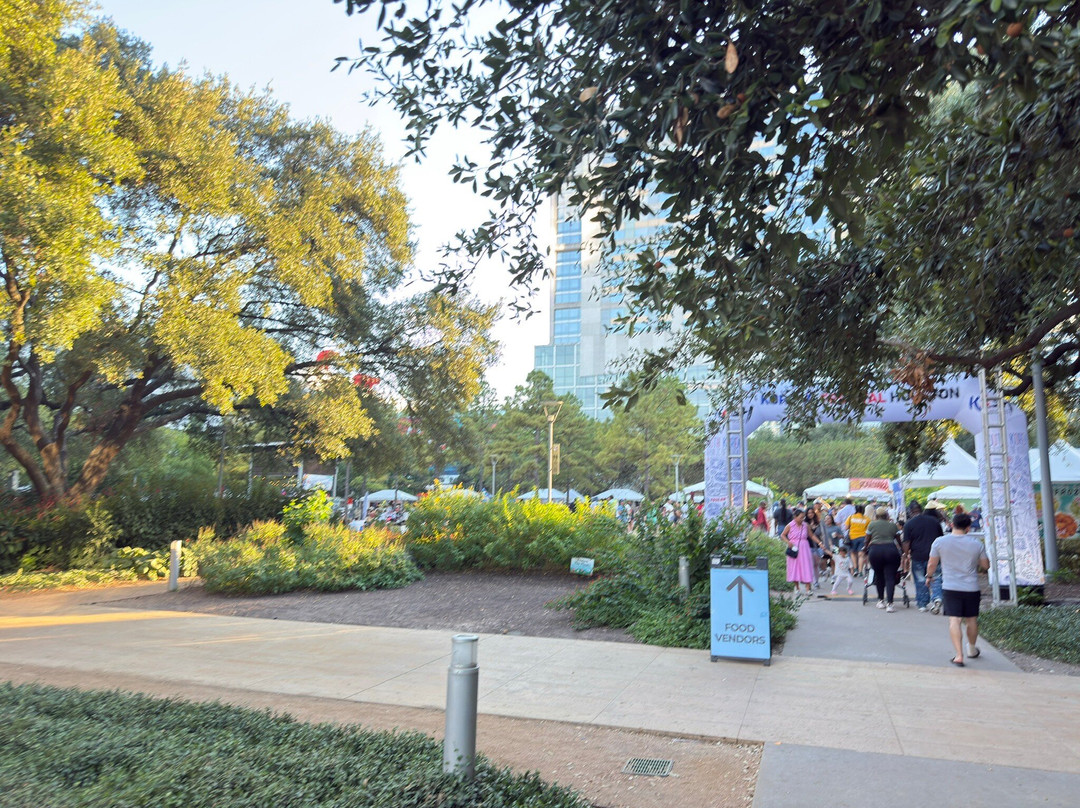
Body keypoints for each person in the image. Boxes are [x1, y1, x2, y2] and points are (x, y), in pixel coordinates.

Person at [926, 512, 990, 667]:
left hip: (950, 587)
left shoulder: (939, 542)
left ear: (952, 524)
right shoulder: (976, 544)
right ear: (968, 528)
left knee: (954, 620)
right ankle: (972, 649)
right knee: (971, 620)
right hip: (971, 588)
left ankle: (959, 655)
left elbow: (932, 564)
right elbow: (986, 566)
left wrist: (929, 576)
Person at [903, 501, 945, 613]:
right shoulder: (934, 521)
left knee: (920, 580)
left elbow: (906, 542)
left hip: (917, 556)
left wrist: (906, 555)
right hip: (935, 555)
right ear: (921, 510)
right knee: (936, 577)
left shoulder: (909, 524)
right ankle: (937, 598)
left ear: (910, 512)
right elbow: (941, 538)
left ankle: (922, 604)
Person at [865, 506, 902, 612]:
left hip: (875, 551)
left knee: (879, 576)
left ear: (876, 515)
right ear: (887, 515)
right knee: (890, 577)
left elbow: (867, 539)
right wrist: (903, 551)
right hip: (890, 550)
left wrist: (865, 549)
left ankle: (881, 601)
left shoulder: (871, 524)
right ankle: (890, 604)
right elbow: (898, 540)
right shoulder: (893, 525)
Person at [781, 508, 815, 594]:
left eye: (803, 517)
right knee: (794, 567)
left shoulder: (805, 525)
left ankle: (808, 589)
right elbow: (783, 535)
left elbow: (811, 535)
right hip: (794, 548)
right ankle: (797, 587)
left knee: (806, 566)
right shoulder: (790, 525)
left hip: (804, 548)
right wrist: (788, 542)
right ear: (795, 517)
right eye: (800, 517)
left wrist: (820, 543)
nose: (802, 519)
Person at [845, 504, 871, 576]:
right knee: (861, 555)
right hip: (863, 538)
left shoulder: (850, 517)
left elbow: (846, 527)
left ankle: (855, 568)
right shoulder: (867, 519)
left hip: (852, 537)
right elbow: (869, 530)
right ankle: (860, 571)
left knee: (853, 553)